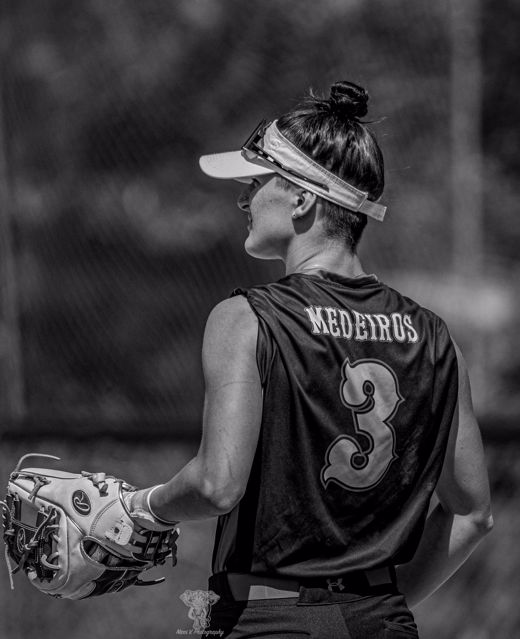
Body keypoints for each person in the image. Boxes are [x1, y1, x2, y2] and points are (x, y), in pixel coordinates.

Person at [124, 80, 493, 638]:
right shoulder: (435, 338)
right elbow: (472, 513)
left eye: (255, 183)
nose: (243, 201)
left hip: (269, 620)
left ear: (301, 200)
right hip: (383, 623)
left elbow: (218, 485)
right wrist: (378, 607)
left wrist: (142, 507)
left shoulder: (247, 317)